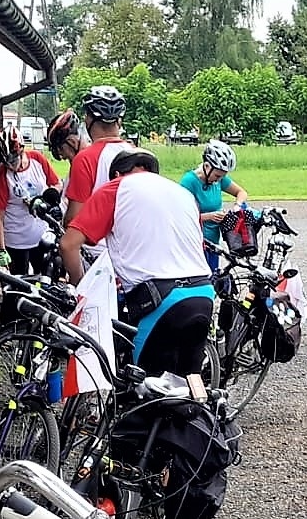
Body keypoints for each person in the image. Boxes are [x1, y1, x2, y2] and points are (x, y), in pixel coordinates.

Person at [60, 148, 216, 378]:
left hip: (161, 301)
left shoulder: (117, 188)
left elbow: (68, 244)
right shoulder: (182, 194)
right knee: (186, 387)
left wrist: (82, 292)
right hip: (203, 294)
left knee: (144, 391)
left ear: (116, 173)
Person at [0, 126, 60, 274]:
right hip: (16, 240)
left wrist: (45, 201)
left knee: (44, 283)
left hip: (42, 236)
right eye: (6, 161)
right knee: (19, 287)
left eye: (14, 158)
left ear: (21, 149)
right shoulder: (3, 174)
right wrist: (1, 249)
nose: (11, 164)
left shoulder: (37, 159)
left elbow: (57, 184)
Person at [180, 140, 250, 273]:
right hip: (195, 244)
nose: (218, 180)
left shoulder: (218, 180)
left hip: (213, 243)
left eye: (222, 176)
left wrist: (237, 206)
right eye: (217, 175)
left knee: (215, 281)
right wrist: (209, 216)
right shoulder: (189, 182)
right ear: (206, 166)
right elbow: (179, 216)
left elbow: (241, 193)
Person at [62, 85, 129, 225]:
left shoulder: (85, 159)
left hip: (93, 245)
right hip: (128, 242)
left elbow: (74, 218)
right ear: (119, 121)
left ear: (88, 120)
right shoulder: (137, 153)